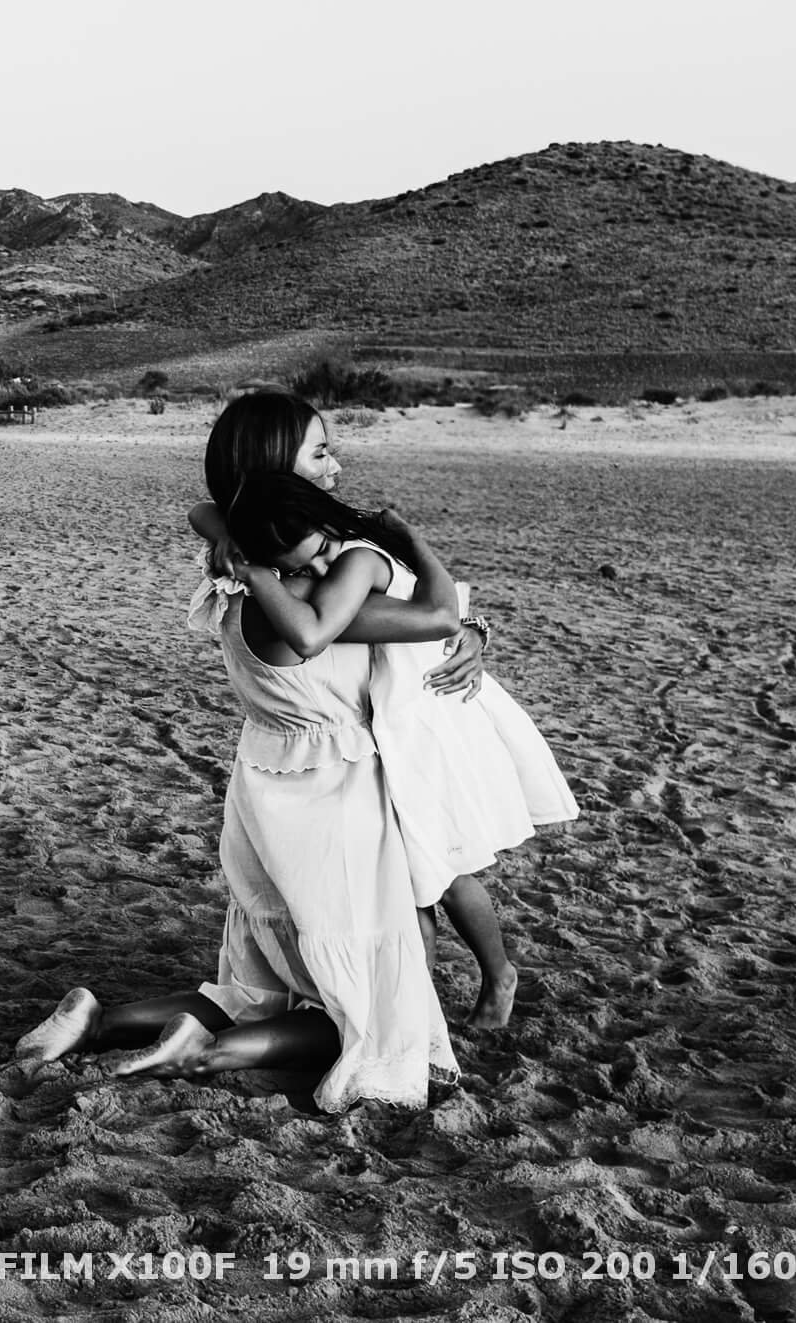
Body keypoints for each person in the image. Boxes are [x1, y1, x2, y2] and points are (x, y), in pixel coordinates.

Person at [18, 501, 468, 1108]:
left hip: (264, 786)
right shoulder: (310, 608)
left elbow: (203, 508)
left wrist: (243, 552)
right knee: (370, 1009)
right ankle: (205, 1054)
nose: (330, 556)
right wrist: (417, 550)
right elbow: (436, 617)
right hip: (336, 794)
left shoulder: (233, 589)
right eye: (316, 548)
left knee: (264, 986)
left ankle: (100, 1019)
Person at [189, 390, 576, 1027]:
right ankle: (433, 1003)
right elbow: (205, 511)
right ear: (272, 463)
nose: (336, 464)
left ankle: (487, 979)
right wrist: (235, 541)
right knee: (422, 871)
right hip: (382, 720)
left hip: (419, 710)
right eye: (320, 451)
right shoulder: (286, 548)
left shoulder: (330, 545)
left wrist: (471, 628)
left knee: (438, 867)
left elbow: (423, 608)